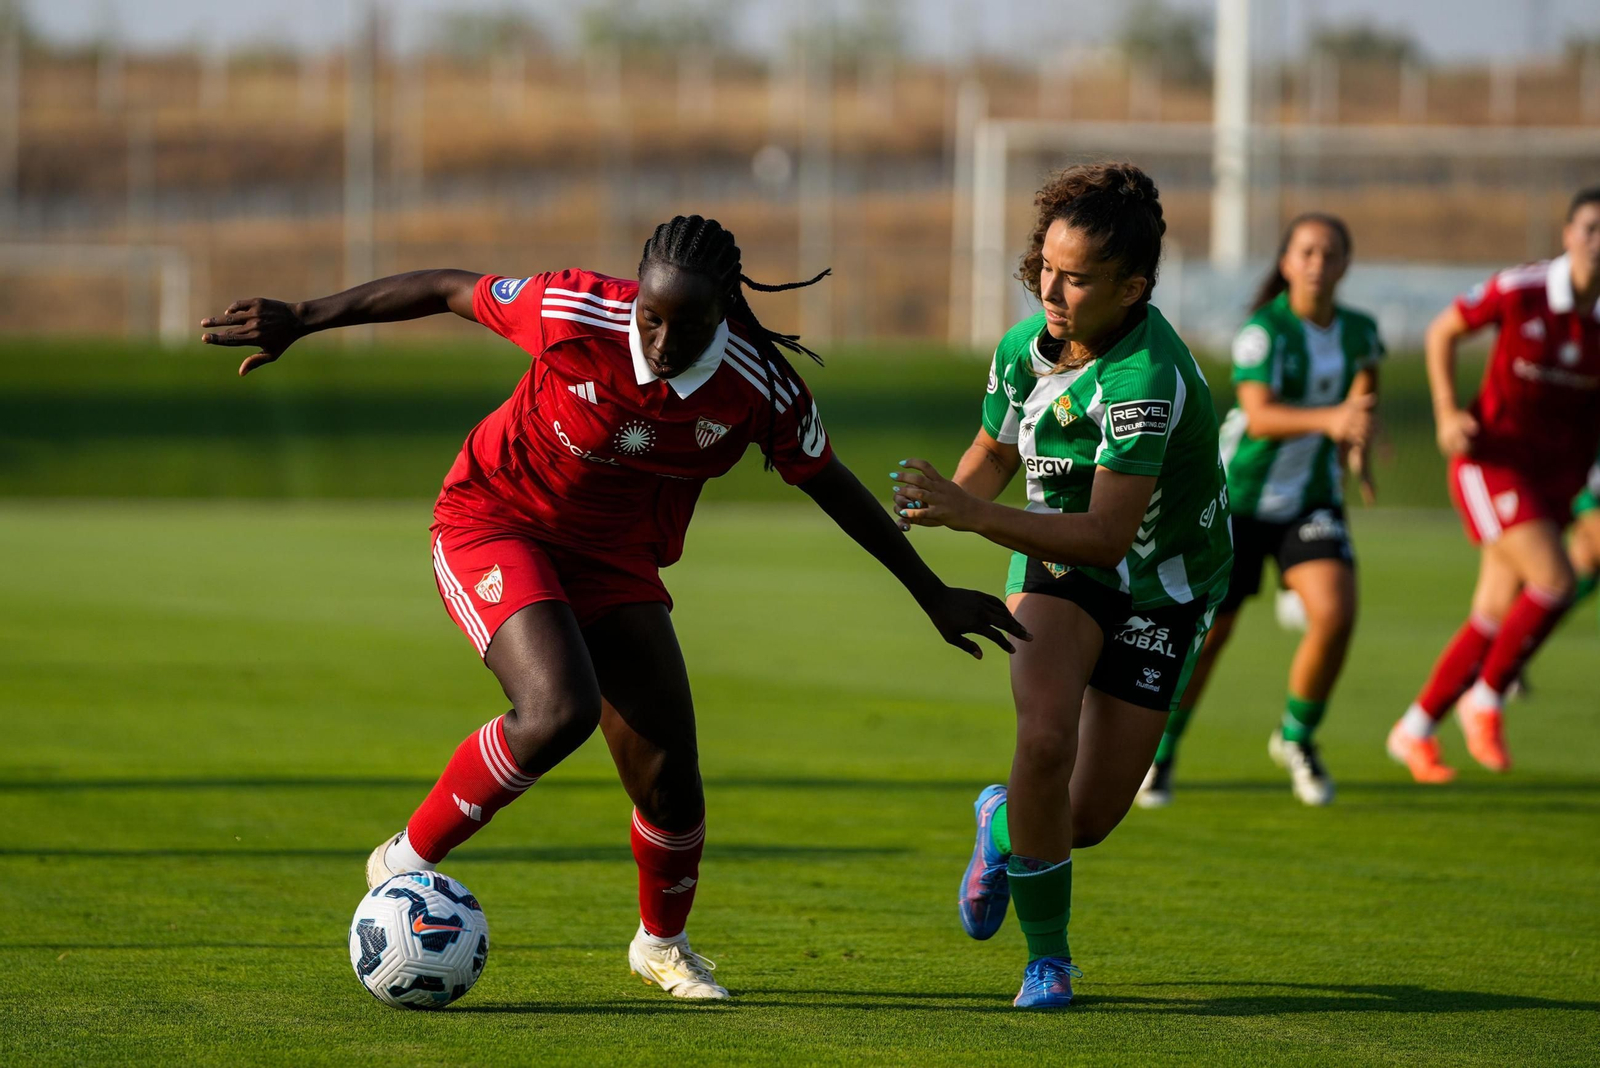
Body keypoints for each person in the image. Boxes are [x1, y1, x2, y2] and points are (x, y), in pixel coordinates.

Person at [199, 215, 1028, 1000]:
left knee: (672, 782)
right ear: (637, 293)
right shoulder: (574, 309)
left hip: (617, 564)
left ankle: (660, 947)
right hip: (495, 521)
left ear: (726, 311)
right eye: (654, 317)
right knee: (557, 710)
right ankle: (402, 860)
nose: (663, 343)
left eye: (689, 325)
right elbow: (450, 287)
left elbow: (834, 487)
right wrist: (303, 316)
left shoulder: (757, 387)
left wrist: (931, 595)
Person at [888, 163, 1233, 1008]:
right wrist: (944, 499)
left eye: (1077, 278)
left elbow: (1109, 535)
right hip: (1058, 564)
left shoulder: (1145, 380)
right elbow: (999, 449)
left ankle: (1000, 821)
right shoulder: (1024, 349)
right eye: (1046, 265)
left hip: (1162, 588)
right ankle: (1050, 960)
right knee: (1045, 740)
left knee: (1080, 820)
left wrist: (969, 515)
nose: (1052, 288)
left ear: (1133, 287)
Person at [1137, 213, 1382, 809]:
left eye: (1331, 252)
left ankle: (1295, 738)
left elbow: (1363, 398)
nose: (1318, 262)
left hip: (1309, 501)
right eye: (1307, 251)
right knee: (1212, 636)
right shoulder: (1263, 332)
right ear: (1287, 263)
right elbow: (1262, 415)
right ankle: (1160, 752)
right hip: (1235, 503)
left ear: (1346, 264)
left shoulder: (1361, 331)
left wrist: (1359, 452)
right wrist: (1332, 422)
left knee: (1337, 612)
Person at [1388, 187, 1600, 783]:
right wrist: (1446, 409)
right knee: (1556, 579)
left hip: (1555, 476)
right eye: (1590, 228)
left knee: (1491, 615)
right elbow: (1443, 331)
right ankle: (1486, 699)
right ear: (1567, 234)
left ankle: (1415, 728)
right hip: (1492, 463)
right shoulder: (1523, 289)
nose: (1598, 243)